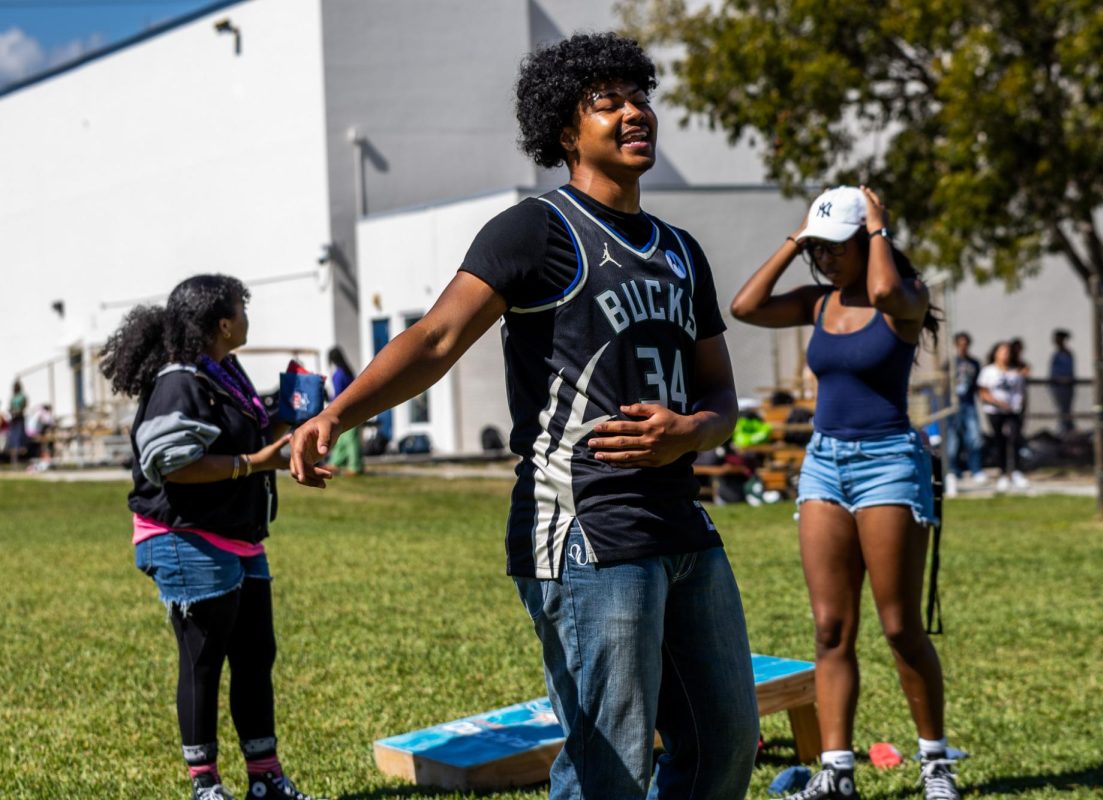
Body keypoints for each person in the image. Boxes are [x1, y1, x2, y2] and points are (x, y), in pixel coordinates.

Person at [290, 32, 759, 800]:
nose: (634, 111)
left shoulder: (682, 252)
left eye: (639, 96)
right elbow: (436, 337)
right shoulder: (539, 230)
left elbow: (719, 395)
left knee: (725, 747)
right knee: (609, 767)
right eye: (606, 102)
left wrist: (695, 431)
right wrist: (336, 415)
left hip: (683, 528)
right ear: (564, 133)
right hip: (586, 531)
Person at [731, 185, 960, 800]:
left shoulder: (905, 300)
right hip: (824, 465)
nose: (826, 259)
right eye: (819, 249)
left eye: (837, 246)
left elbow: (884, 289)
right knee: (831, 629)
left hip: (889, 462)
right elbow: (744, 306)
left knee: (899, 626)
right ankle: (836, 772)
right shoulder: (817, 301)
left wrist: (880, 224)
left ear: (867, 241)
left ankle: (935, 764)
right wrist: (795, 238)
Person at [99, 275, 322, 800]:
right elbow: (170, 465)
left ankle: (265, 780)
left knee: (254, 655)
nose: (247, 317)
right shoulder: (180, 382)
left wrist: (290, 413)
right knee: (203, 663)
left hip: (238, 536)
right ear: (223, 323)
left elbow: (250, 437)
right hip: (185, 538)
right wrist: (252, 463)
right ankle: (206, 787)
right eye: (241, 309)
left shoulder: (224, 371)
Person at [977, 341, 1028, 491]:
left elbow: (1021, 392)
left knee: (1015, 439)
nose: (1005, 355)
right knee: (1000, 442)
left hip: (1013, 412)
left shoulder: (1015, 371)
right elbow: (983, 392)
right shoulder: (988, 371)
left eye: (1008, 352)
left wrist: (1017, 406)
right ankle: (1003, 473)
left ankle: (1017, 471)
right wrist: (999, 403)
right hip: (995, 412)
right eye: (1002, 351)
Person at [943, 332, 987, 497]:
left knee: (975, 437)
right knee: (952, 440)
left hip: (969, 404)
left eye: (965, 344)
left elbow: (978, 385)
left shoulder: (974, 363)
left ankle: (976, 469)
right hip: (953, 405)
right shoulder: (951, 362)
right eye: (960, 344)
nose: (963, 347)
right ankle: (953, 470)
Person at [325, 347, 363, 475]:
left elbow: (338, 395)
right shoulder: (348, 372)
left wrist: (328, 400)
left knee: (349, 439)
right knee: (343, 438)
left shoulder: (338, 375)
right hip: (354, 407)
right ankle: (335, 463)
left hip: (343, 410)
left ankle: (355, 467)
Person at [1049, 328, 1075, 433]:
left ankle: (1066, 429)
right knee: (1062, 409)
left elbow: (1067, 371)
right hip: (1057, 387)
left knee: (1065, 409)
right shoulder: (1056, 355)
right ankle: (1065, 428)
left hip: (1066, 387)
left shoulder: (1067, 355)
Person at [7, 380, 28, 463]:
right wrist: (11, 412)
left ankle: (20, 457)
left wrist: (18, 412)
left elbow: (24, 405)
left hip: (19, 418)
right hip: (13, 419)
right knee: (12, 437)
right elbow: (10, 406)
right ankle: (14, 457)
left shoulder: (22, 396)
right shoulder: (13, 397)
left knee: (19, 437)